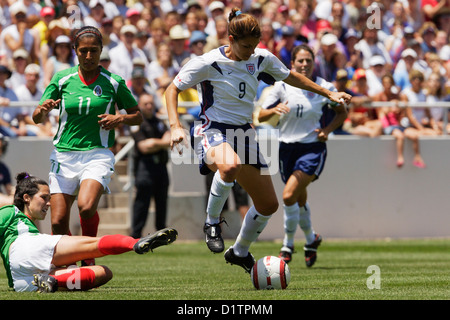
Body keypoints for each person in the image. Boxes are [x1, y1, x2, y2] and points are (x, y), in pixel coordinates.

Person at [165, 8, 351, 273]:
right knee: (229, 167)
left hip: (244, 132)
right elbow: (172, 89)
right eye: (245, 46)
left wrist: (327, 92)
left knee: (268, 205)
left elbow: (291, 76)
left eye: (254, 46)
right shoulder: (207, 62)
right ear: (230, 38)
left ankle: (239, 251)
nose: (251, 52)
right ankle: (212, 222)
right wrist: (175, 126)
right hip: (212, 129)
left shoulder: (261, 58)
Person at [32, 26, 143, 265]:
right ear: (75, 51)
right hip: (64, 155)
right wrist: (42, 111)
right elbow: (36, 117)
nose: (89, 56)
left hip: (97, 154)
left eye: (94, 50)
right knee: (58, 221)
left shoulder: (113, 82)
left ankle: (89, 255)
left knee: (85, 206)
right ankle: (68, 260)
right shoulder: (62, 78)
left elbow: (138, 115)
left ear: (101, 50)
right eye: (84, 51)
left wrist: (120, 118)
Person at [0, 171, 177, 292]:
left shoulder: (26, 224)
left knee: (103, 273)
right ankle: (135, 243)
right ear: (26, 198)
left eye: (49, 198)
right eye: (44, 198)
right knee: (93, 245)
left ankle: (52, 282)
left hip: (21, 281)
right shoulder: (11, 211)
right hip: (24, 248)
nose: (49, 203)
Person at [258, 44, 348, 266]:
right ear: (292, 64)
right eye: (301, 61)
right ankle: (311, 238)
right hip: (286, 148)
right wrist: (274, 110)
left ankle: (287, 245)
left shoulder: (323, 87)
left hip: (311, 147)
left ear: (314, 62)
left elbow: (342, 112)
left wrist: (327, 131)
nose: (305, 64)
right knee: (298, 197)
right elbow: (260, 116)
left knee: (288, 195)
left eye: (309, 60)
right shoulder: (281, 86)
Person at [131, 93, 171, 238]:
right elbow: (144, 147)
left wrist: (155, 143)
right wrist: (162, 143)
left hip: (161, 167)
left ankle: (161, 237)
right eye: (146, 104)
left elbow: (169, 140)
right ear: (140, 106)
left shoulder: (159, 122)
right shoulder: (137, 123)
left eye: (151, 103)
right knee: (141, 205)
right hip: (145, 168)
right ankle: (135, 237)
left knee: (162, 204)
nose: (149, 106)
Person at [374, 74, 425, 168]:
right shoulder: (379, 96)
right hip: (389, 126)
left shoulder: (396, 96)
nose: (387, 85)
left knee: (414, 135)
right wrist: (390, 108)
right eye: (385, 83)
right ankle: (400, 158)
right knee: (400, 136)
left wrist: (399, 108)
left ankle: (417, 157)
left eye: (389, 83)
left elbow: (401, 114)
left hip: (398, 125)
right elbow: (380, 113)